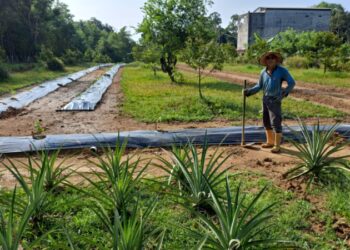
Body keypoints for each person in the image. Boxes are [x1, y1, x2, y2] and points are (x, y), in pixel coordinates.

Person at [243, 51, 295, 153]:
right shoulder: (263, 72)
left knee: (275, 122)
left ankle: (277, 145)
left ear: (276, 60)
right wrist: (249, 92)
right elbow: (259, 86)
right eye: (268, 58)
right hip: (265, 99)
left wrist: (283, 93)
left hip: (275, 100)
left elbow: (292, 82)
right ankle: (270, 142)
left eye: (273, 58)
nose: (270, 60)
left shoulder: (282, 71)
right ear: (265, 61)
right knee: (266, 121)